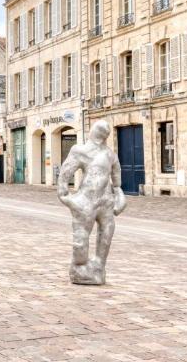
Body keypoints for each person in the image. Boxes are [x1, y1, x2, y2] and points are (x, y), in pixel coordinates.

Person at [56, 121, 127, 285]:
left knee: (106, 234)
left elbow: (117, 182)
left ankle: (99, 267)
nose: (103, 134)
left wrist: (119, 196)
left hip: (105, 201)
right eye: (101, 131)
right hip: (85, 201)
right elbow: (64, 176)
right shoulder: (80, 151)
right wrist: (68, 199)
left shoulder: (110, 155)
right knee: (81, 237)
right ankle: (79, 269)